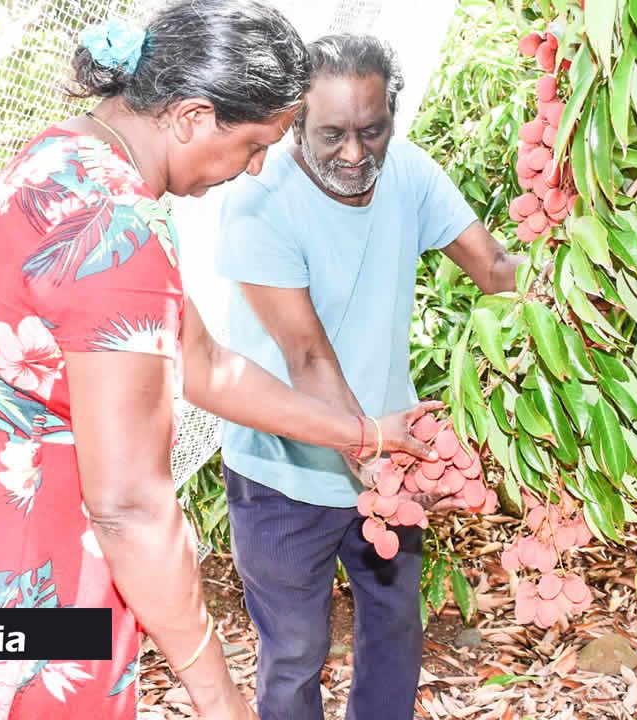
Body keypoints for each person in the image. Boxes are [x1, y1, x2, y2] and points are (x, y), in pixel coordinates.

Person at [0, 8, 442, 720]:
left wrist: (366, 436)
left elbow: (203, 362)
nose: (257, 166)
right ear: (194, 116)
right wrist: (218, 695)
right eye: (255, 142)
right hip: (30, 579)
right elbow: (128, 506)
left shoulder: (67, 156)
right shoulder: (120, 232)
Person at [216, 34, 524, 720]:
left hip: (387, 447)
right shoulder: (259, 202)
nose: (354, 154)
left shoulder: (410, 173)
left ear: (392, 116)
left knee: (394, 631)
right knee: (295, 652)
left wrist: (597, 276)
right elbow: (308, 357)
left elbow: (497, 270)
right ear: (296, 120)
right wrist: (377, 458)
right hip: (283, 474)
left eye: (372, 130)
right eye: (331, 134)